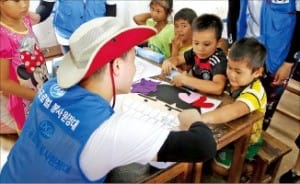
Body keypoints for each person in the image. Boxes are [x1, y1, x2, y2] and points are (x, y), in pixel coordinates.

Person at [0, 17, 217, 183]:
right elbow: (203, 146)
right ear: (117, 67)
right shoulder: (110, 132)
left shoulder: (50, 88)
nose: (134, 68)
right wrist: (192, 119)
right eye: (133, 60)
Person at [179, 37, 267, 176]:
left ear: (257, 72)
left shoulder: (254, 92)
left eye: (238, 72)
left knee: (218, 168)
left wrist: (200, 119)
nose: (231, 74)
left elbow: (232, 111)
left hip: (247, 139)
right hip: (226, 127)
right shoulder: (230, 81)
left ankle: (248, 168)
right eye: (229, 67)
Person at [226, 0, 297, 130]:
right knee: (234, 98)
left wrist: (289, 62)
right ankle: (231, 139)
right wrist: (232, 46)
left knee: (262, 109)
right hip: (247, 47)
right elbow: (234, 9)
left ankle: (252, 140)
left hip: (279, 55)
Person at [0, 0, 49, 134]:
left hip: (41, 87)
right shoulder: (3, 36)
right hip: (25, 102)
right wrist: (36, 96)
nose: (24, 5)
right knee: (33, 135)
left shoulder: (25, 19)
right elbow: (3, 83)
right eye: (16, 1)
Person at [161, 14, 227, 95]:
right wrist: (169, 62)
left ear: (218, 43)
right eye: (196, 43)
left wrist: (185, 80)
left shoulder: (218, 59)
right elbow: (178, 59)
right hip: (194, 93)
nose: (200, 48)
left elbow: (218, 88)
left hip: (211, 98)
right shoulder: (195, 52)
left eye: (206, 44)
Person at [32, 0, 117, 53]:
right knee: (73, 69)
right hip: (67, 37)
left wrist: (109, 33)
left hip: (96, 35)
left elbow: (111, 8)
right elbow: (45, 5)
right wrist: (38, 16)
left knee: (94, 68)